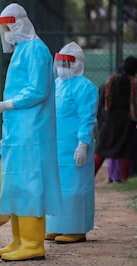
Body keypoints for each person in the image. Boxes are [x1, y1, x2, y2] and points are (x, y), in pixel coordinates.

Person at [0, 3, 61, 261]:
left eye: (9, 27)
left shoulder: (36, 50)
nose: (7, 33)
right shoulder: (22, 50)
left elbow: (37, 90)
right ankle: (19, 240)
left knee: (29, 184)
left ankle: (33, 244)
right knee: (17, 183)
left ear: (20, 23)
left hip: (32, 131)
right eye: (4, 28)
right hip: (19, 130)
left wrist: (8, 104)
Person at [44, 42, 98, 244]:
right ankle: (56, 226)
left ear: (77, 64)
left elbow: (87, 118)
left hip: (75, 147)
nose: (61, 68)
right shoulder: (56, 85)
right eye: (60, 63)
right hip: (56, 146)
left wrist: (83, 143)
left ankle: (76, 228)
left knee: (75, 187)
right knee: (56, 187)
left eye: (66, 63)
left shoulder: (86, 87)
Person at [94, 56, 137, 182]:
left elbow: (101, 101)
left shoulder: (110, 81)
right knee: (127, 151)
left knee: (102, 151)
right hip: (128, 123)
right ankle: (123, 179)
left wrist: (101, 121)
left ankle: (89, 177)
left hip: (110, 123)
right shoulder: (133, 84)